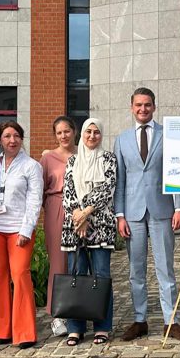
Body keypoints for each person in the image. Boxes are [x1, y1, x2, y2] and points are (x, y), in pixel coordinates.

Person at [113, 87, 180, 342]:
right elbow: (120, 181)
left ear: (154, 107)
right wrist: (120, 215)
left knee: (165, 268)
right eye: (138, 105)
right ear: (131, 107)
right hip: (133, 213)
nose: (143, 109)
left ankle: (172, 321)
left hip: (162, 210)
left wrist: (179, 207)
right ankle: (140, 320)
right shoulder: (122, 140)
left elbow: (176, 172)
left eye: (147, 105)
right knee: (136, 270)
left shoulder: (167, 135)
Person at [0, 121, 43, 348]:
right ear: (0, 140)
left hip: (19, 228)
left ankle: (24, 332)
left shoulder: (31, 166)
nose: (12, 140)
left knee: (20, 274)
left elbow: (35, 200)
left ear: (22, 139)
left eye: (16, 135)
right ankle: (2, 330)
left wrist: (27, 228)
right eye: (7, 136)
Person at [61, 118, 117, 345]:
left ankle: (102, 327)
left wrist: (87, 213)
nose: (92, 136)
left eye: (96, 132)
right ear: (82, 134)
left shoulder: (109, 159)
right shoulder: (73, 160)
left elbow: (108, 188)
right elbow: (68, 190)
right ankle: (75, 328)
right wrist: (78, 215)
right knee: (77, 276)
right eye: (88, 132)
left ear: (101, 135)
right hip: (75, 227)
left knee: (101, 275)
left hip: (100, 224)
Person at [40, 116, 76, 337]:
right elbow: (39, 188)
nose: (63, 136)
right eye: (59, 132)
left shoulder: (83, 156)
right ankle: (57, 315)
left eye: (67, 131)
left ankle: (78, 310)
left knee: (78, 262)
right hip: (56, 207)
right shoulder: (47, 158)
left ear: (74, 131)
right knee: (58, 263)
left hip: (80, 212)